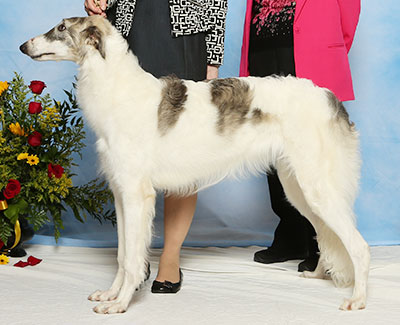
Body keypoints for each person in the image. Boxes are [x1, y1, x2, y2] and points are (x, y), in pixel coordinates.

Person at [84, 0, 227, 293]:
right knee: (128, 162)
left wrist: (212, 59)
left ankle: (170, 259)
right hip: (127, 29)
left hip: (184, 32)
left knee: (183, 156)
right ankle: (133, 262)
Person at [240, 0, 360, 271]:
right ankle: (291, 237)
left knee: (315, 158)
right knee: (272, 154)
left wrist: (327, 51)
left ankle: (322, 243)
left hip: (309, 56)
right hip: (262, 57)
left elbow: (348, 17)